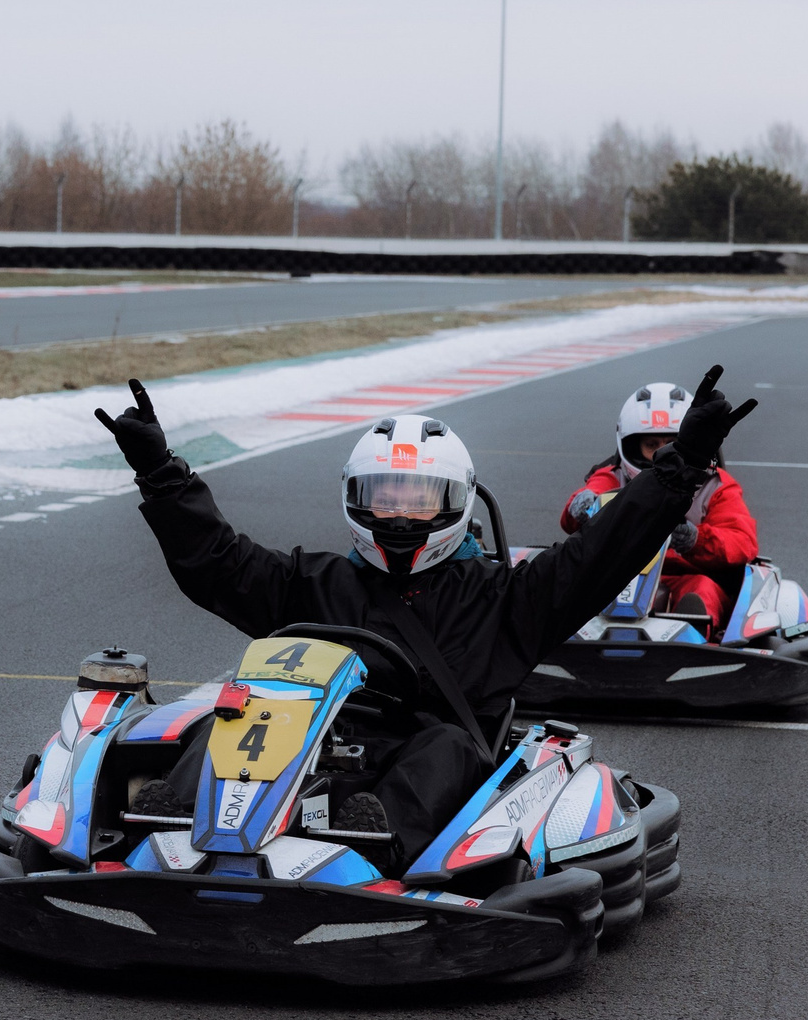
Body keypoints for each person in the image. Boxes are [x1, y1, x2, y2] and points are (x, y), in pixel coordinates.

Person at [96, 366, 756, 857]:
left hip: (431, 767)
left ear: (455, 502)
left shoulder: (507, 597)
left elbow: (604, 552)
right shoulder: (312, 582)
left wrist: (682, 465)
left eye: (417, 498)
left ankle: (371, 839)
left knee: (445, 745)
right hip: (312, 743)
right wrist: (160, 473)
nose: (400, 513)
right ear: (357, 501)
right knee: (232, 714)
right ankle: (173, 819)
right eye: (384, 497)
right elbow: (217, 561)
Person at [558, 381, 758, 628]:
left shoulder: (715, 486)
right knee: (570, 579)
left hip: (684, 575)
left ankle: (693, 642)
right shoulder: (612, 475)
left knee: (702, 590)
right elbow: (582, 503)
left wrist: (695, 540)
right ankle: (562, 632)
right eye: (652, 445)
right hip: (614, 574)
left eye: (671, 444)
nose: (663, 453)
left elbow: (743, 542)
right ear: (631, 446)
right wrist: (580, 507)